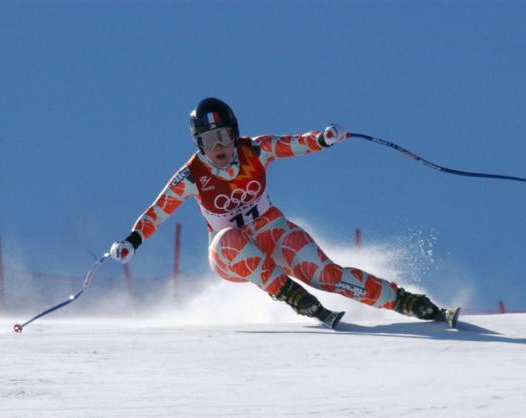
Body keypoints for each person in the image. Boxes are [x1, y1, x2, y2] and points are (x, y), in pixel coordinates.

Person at [109, 97, 459, 329]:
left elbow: (295, 143)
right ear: (198, 144)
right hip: (231, 253)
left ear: (235, 134)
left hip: (271, 229)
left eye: (224, 136)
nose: (218, 146)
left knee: (326, 274)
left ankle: (413, 303)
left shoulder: (254, 150)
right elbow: (157, 212)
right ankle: (293, 296)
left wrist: (324, 138)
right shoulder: (191, 176)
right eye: (209, 139)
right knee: (229, 238)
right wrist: (131, 242)